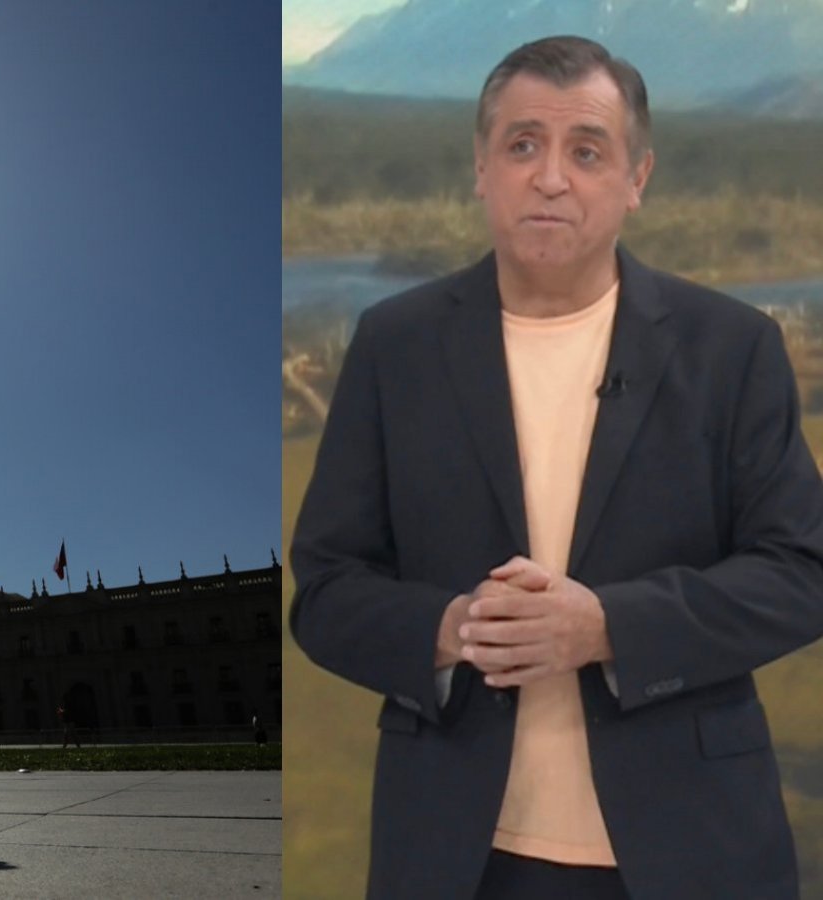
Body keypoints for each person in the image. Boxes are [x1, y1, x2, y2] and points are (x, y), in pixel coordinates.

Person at [289, 36, 823, 900]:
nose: (549, 178)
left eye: (586, 151)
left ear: (637, 177)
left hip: (691, 851)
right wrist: (451, 629)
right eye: (522, 145)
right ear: (481, 167)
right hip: (456, 855)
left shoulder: (732, 350)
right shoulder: (395, 346)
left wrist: (609, 627)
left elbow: (803, 573)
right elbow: (324, 589)